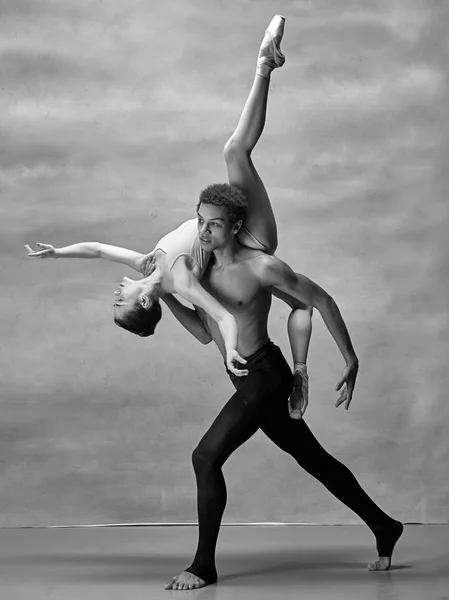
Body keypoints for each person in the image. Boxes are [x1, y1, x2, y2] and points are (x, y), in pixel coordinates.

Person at [154, 18, 403, 592]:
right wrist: (164, 292)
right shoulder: (200, 264)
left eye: (216, 224)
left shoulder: (260, 263)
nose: (205, 231)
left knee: (204, 456)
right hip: (244, 375)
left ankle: (203, 566)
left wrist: (350, 356)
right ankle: (385, 526)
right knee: (313, 459)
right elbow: (198, 328)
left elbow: (320, 298)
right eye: (201, 223)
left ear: (237, 225)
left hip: (266, 374)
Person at [25, 15, 312, 418]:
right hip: (252, 238)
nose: (114, 294)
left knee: (234, 152)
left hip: (227, 228)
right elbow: (215, 321)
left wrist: (58, 253)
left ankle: (266, 65)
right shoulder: (180, 279)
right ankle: (266, 65)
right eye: (120, 302)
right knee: (234, 151)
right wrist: (227, 345)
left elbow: (98, 249)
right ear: (142, 298)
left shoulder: (148, 263)